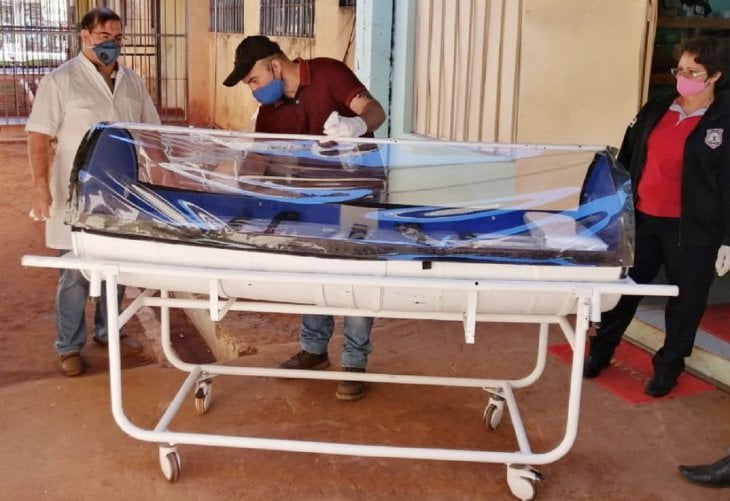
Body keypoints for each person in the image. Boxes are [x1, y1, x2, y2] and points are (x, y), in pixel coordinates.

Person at [222, 35, 386, 401]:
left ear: (274, 66)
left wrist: (356, 127)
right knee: (314, 272)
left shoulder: (329, 73)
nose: (253, 90)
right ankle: (314, 350)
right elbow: (258, 159)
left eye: (254, 80)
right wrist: (235, 192)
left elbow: (375, 110)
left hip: (360, 195)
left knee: (357, 275)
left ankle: (354, 361)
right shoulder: (271, 111)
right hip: (311, 201)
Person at [583, 36, 730, 397]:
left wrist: (728, 238)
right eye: (680, 69)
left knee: (685, 302)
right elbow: (625, 160)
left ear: (715, 76)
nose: (683, 77)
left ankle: (668, 367)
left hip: (693, 231)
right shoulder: (656, 109)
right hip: (643, 221)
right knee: (623, 292)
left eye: (693, 72)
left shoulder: (724, 121)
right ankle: (600, 350)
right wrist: (613, 211)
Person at [26, 7, 161, 376]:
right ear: (84, 36)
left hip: (121, 193)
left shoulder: (132, 82)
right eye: (104, 37)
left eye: (118, 38)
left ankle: (108, 331)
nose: (111, 45)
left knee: (116, 265)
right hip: (74, 193)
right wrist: (40, 189)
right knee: (74, 271)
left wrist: (164, 177)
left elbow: (151, 133)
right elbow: (38, 137)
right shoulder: (61, 81)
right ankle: (69, 347)